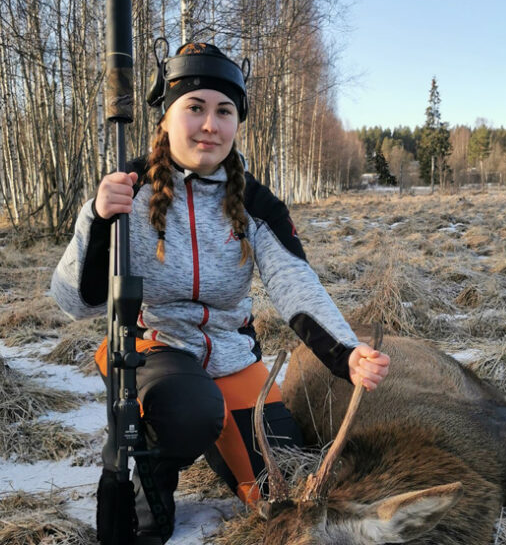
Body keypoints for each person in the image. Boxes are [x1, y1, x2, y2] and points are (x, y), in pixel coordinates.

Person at [50, 41, 390, 544]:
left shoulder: (255, 203)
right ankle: (153, 458)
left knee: (287, 485)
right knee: (187, 413)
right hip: (155, 351)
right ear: (166, 118)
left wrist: (346, 352)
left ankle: (212, 427)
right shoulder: (128, 190)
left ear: (236, 122)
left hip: (232, 358)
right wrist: (98, 220)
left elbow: (296, 283)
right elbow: (75, 301)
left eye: (224, 111)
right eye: (195, 107)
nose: (210, 124)